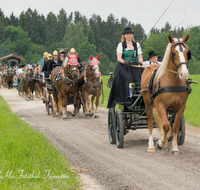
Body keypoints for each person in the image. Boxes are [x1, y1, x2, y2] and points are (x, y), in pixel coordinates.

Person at [107, 27, 144, 108]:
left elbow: (140, 57)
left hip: (134, 65)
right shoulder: (121, 45)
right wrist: (125, 61)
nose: (129, 35)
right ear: (124, 35)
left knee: (139, 79)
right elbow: (119, 58)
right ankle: (129, 98)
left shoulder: (137, 45)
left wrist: (141, 63)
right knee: (129, 78)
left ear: (132, 35)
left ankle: (140, 98)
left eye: (130, 34)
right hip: (124, 66)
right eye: (127, 34)